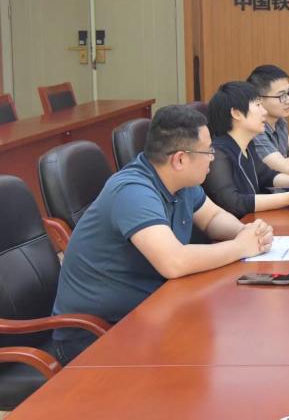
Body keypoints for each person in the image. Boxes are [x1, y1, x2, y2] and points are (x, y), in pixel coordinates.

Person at [51, 105, 274, 364]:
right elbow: (174, 262)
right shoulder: (133, 191)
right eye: (208, 151)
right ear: (179, 160)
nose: (212, 158)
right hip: (96, 335)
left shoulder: (179, 181)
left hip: (150, 311)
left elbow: (212, 217)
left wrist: (246, 232)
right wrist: (241, 247)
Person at [202, 81, 289, 218]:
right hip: (236, 228)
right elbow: (232, 203)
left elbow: (268, 176)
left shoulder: (247, 145)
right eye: (258, 105)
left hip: (255, 222)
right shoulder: (217, 154)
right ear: (236, 113)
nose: (264, 112)